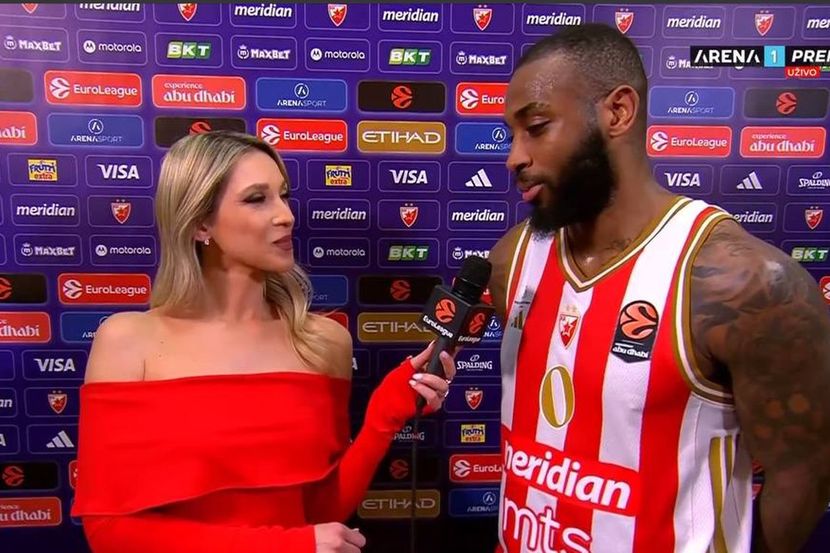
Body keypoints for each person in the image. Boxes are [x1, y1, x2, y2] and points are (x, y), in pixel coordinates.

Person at [487, 23, 830, 553]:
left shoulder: (744, 283)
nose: (514, 156)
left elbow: (804, 473)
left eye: (536, 127)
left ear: (618, 112)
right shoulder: (512, 259)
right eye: (511, 134)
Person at [70, 130, 456, 553]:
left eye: (283, 195)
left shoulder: (323, 343)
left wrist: (383, 416)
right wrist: (290, 546)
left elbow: (322, 511)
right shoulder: (127, 341)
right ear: (200, 223)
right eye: (257, 199)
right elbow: (109, 532)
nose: (285, 215)